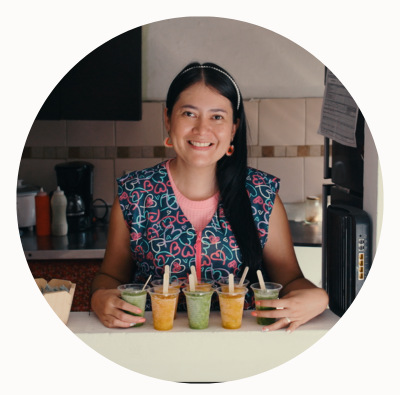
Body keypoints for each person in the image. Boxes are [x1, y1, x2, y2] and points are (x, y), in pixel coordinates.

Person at [91, 61, 329, 332]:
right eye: (189, 114)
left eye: (217, 117)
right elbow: (110, 276)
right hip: (153, 346)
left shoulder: (261, 195)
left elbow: (290, 280)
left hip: (243, 348)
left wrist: (317, 297)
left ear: (233, 129)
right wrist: (99, 297)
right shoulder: (134, 194)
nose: (202, 130)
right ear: (168, 119)